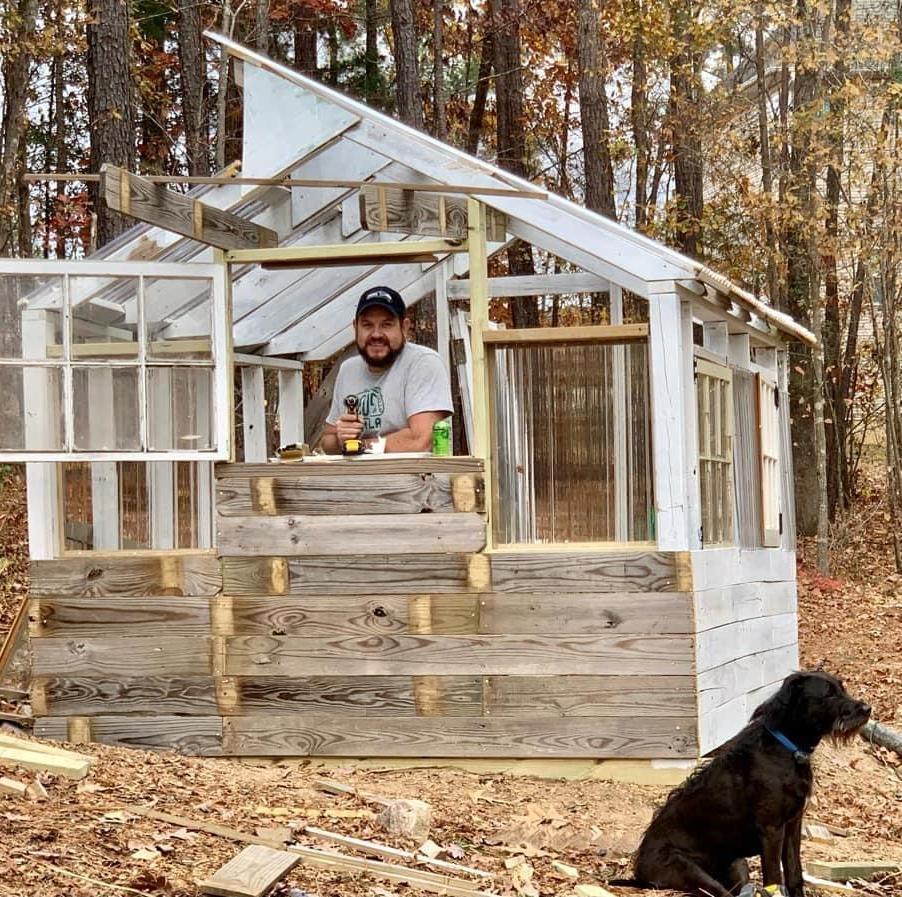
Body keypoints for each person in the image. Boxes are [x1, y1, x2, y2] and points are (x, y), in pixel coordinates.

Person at [320, 286, 453, 454]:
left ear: (404, 327)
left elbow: (420, 441)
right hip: (356, 479)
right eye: (367, 325)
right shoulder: (348, 370)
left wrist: (359, 446)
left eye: (387, 325)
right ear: (355, 327)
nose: (376, 334)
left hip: (413, 478)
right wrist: (341, 438)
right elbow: (327, 441)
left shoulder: (423, 363)